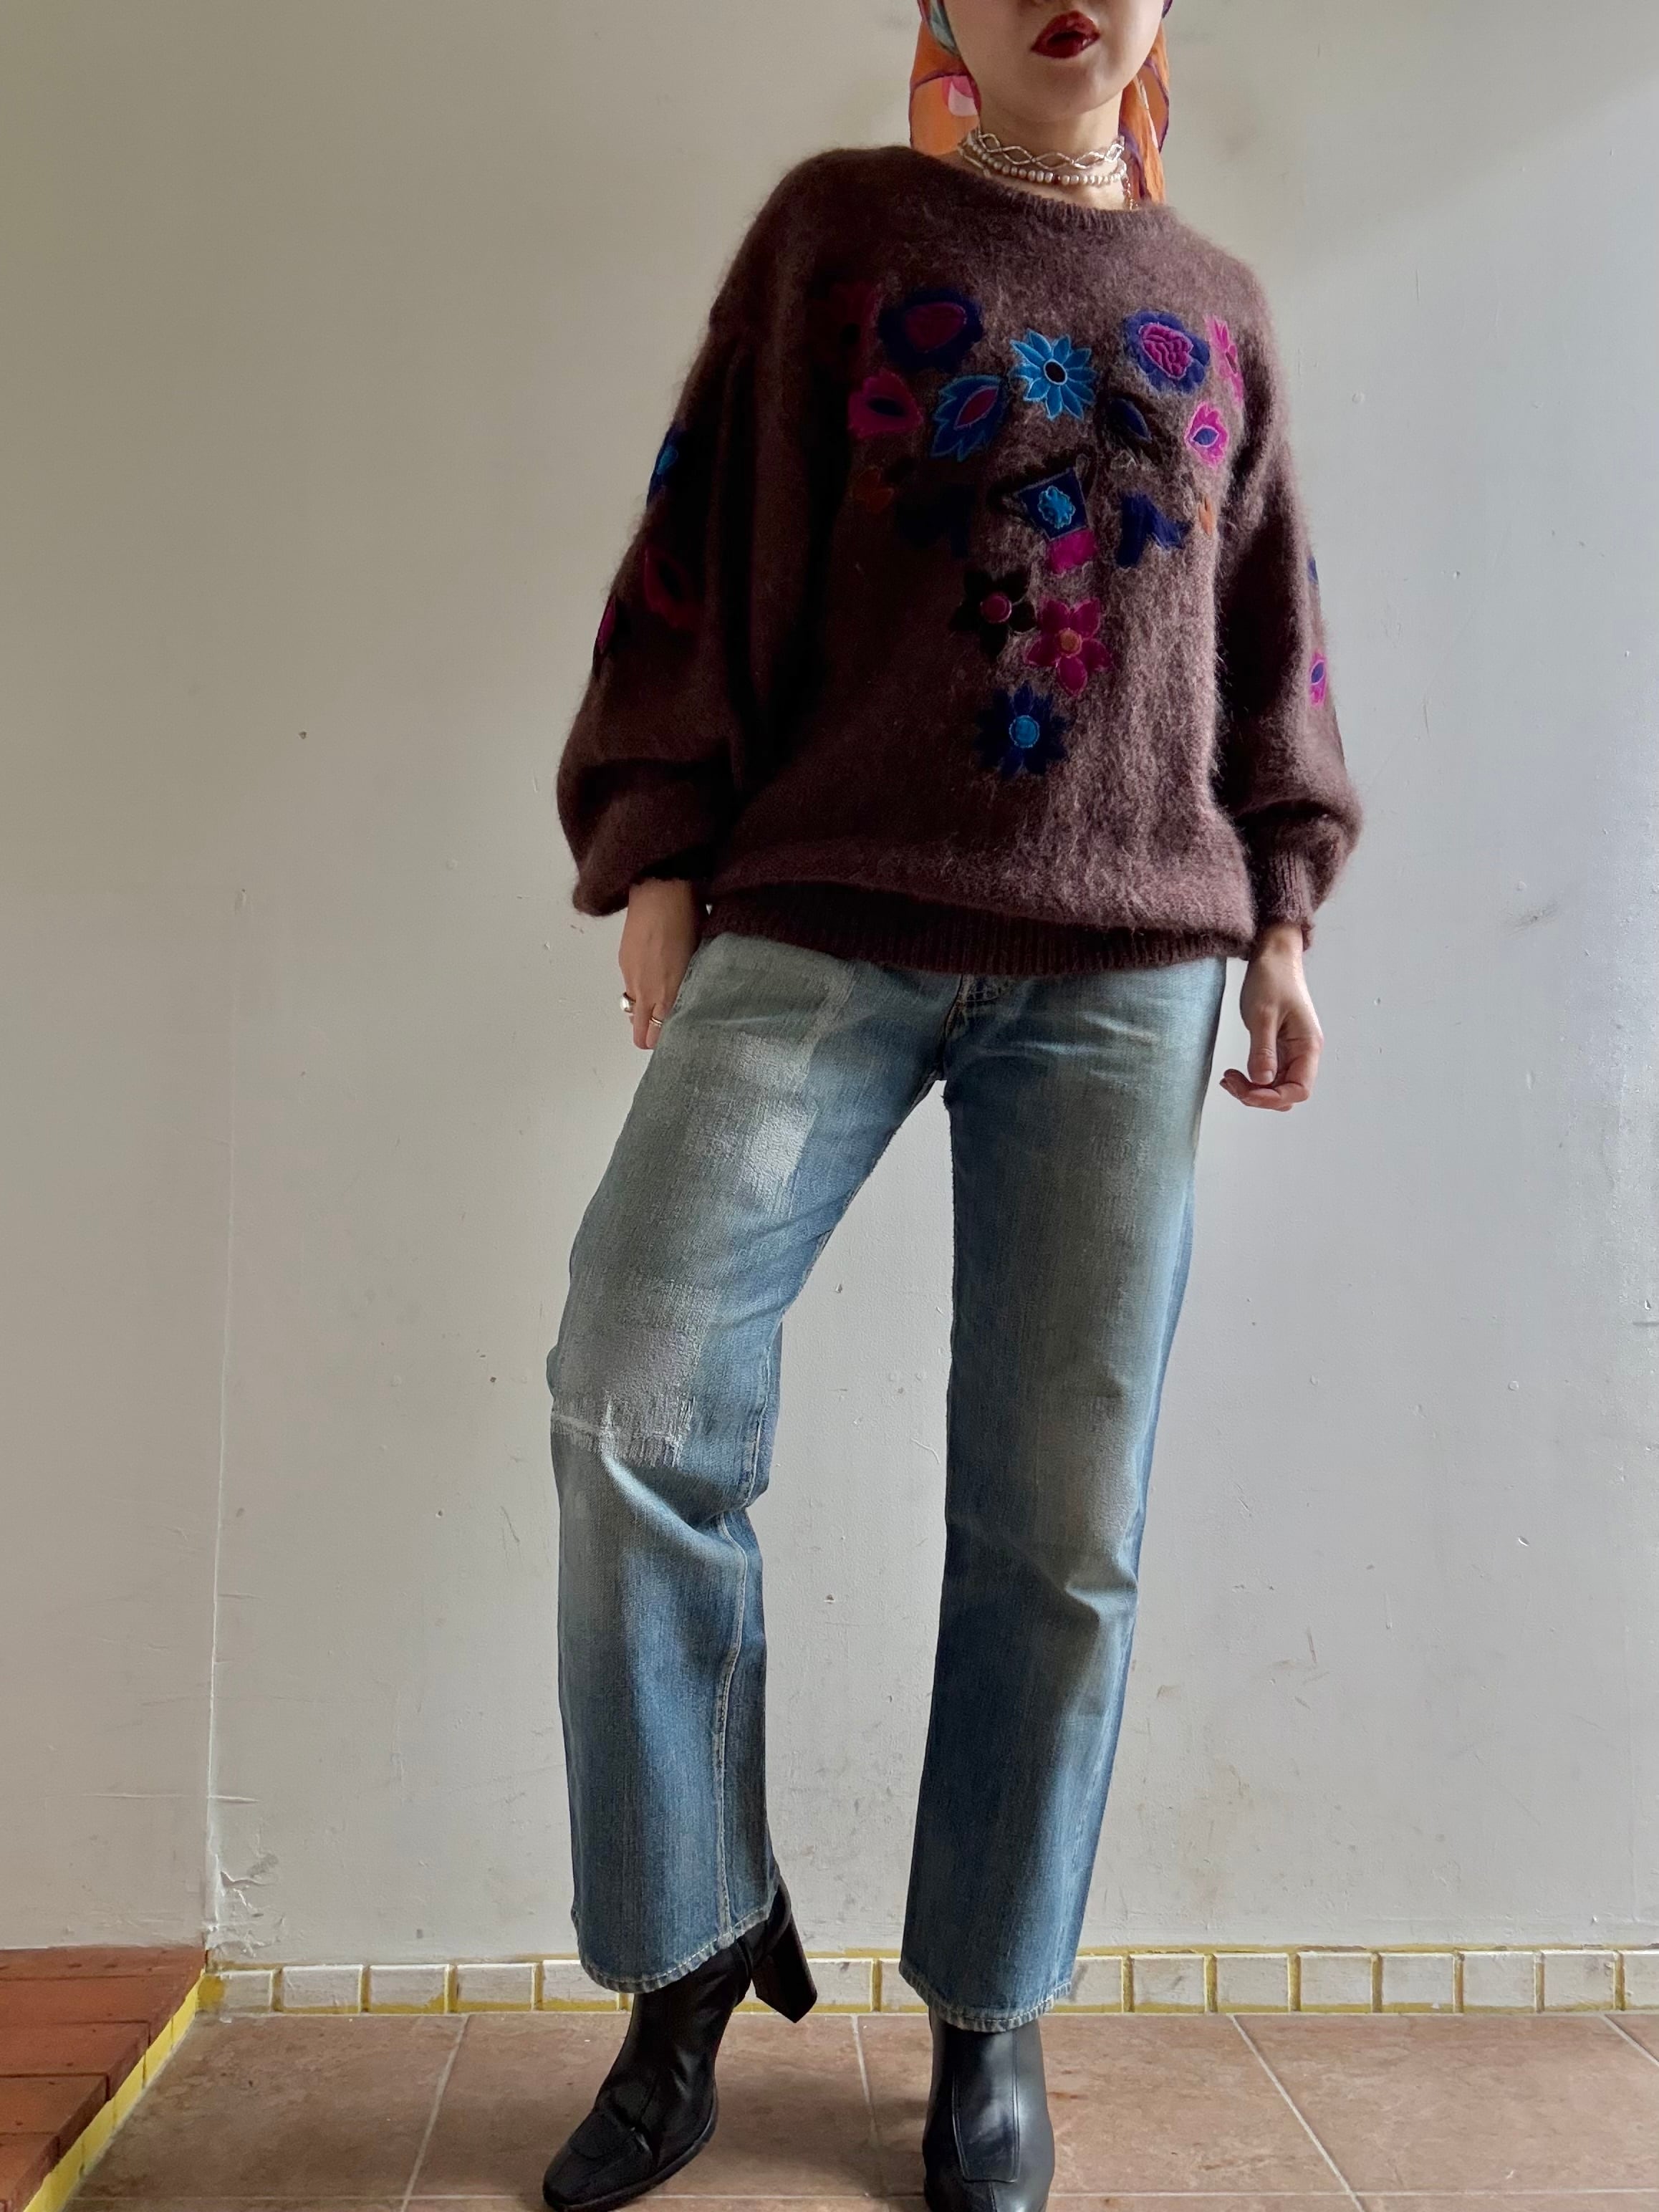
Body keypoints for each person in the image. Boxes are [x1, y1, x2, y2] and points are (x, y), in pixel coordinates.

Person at [540, 4, 1362, 2208]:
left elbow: (1269, 636)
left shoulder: (1215, 306)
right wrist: (658, 849)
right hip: (822, 920)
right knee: (632, 1395)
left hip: (1130, 971)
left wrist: (1283, 913)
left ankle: (988, 2017)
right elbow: (694, 539)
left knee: (1056, 1524)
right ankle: (690, 1947)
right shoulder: (836, 235)